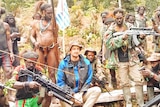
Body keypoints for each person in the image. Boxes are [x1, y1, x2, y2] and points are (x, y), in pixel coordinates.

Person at [105, 8, 144, 107]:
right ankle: (128, 103)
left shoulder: (130, 27)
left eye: (121, 18)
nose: (119, 20)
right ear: (114, 18)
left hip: (132, 58)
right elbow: (108, 44)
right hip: (120, 60)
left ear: (123, 17)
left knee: (138, 79)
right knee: (125, 83)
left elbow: (136, 41)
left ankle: (141, 103)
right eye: (117, 18)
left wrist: (141, 37)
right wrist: (121, 38)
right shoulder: (110, 30)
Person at [57, 40, 101, 107]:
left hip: (82, 94)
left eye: (78, 49)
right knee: (59, 94)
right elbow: (60, 83)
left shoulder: (86, 63)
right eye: (74, 49)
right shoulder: (63, 64)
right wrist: (72, 94)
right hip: (69, 95)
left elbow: (88, 80)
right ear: (70, 50)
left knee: (97, 90)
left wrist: (81, 93)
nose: (76, 51)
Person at [30, 1, 59, 83]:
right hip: (40, 49)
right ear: (43, 12)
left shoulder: (54, 23)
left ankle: (54, 93)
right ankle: (41, 93)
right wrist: (35, 42)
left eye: (52, 13)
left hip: (51, 49)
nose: (51, 15)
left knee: (52, 72)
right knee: (40, 71)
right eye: (49, 13)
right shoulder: (36, 24)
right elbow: (31, 36)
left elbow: (56, 36)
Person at [0, 7, 14, 83]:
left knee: (9, 72)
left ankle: (8, 91)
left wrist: (11, 52)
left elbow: (8, 39)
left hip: (4, 53)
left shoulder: (5, 26)